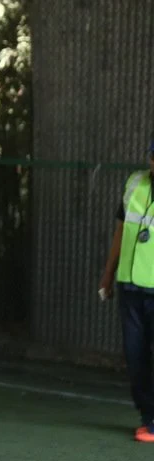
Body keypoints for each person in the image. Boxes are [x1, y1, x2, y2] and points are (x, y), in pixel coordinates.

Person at [98, 139, 154, 441]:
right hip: (130, 286)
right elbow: (121, 231)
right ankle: (148, 416)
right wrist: (108, 274)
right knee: (135, 357)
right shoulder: (134, 183)